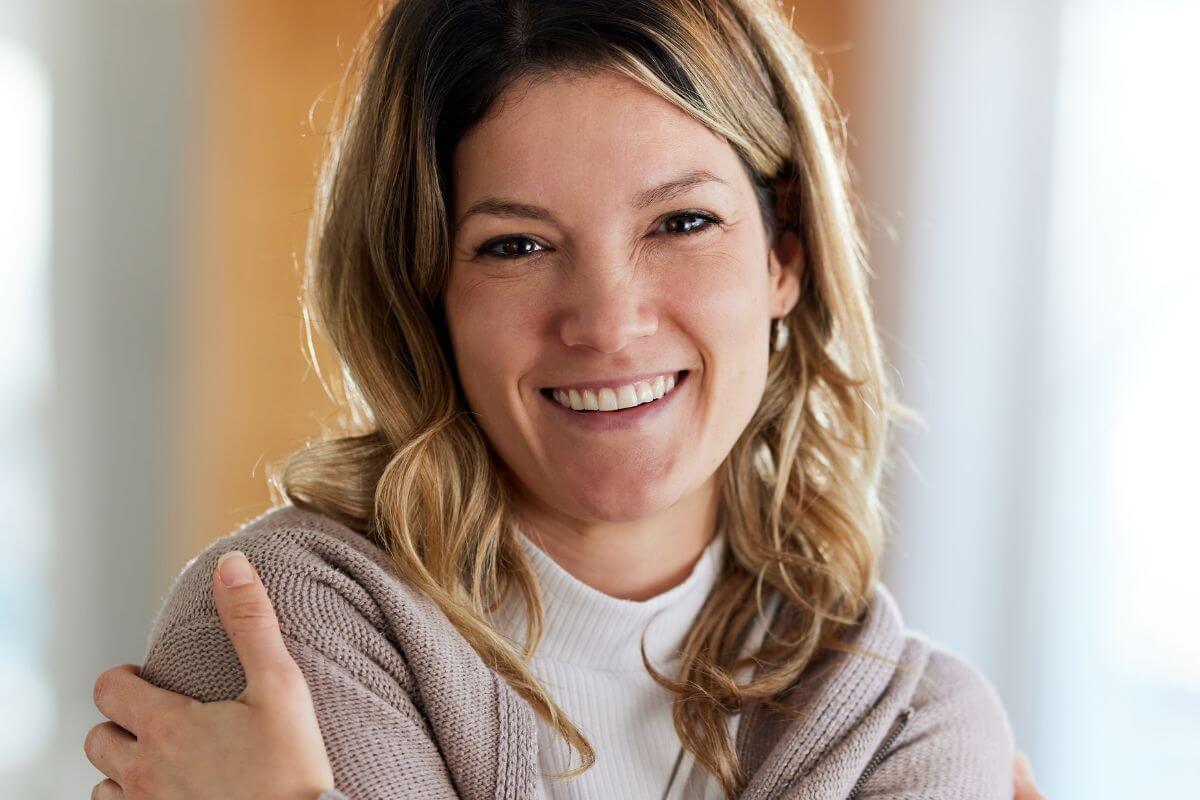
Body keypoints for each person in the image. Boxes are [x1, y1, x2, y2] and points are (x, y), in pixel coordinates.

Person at [84, 0, 1048, 798]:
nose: (607, 322)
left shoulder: (912, 724)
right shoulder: (280, 630)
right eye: (516, 245)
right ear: (426, 289)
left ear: (783, 254)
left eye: (681, 222)